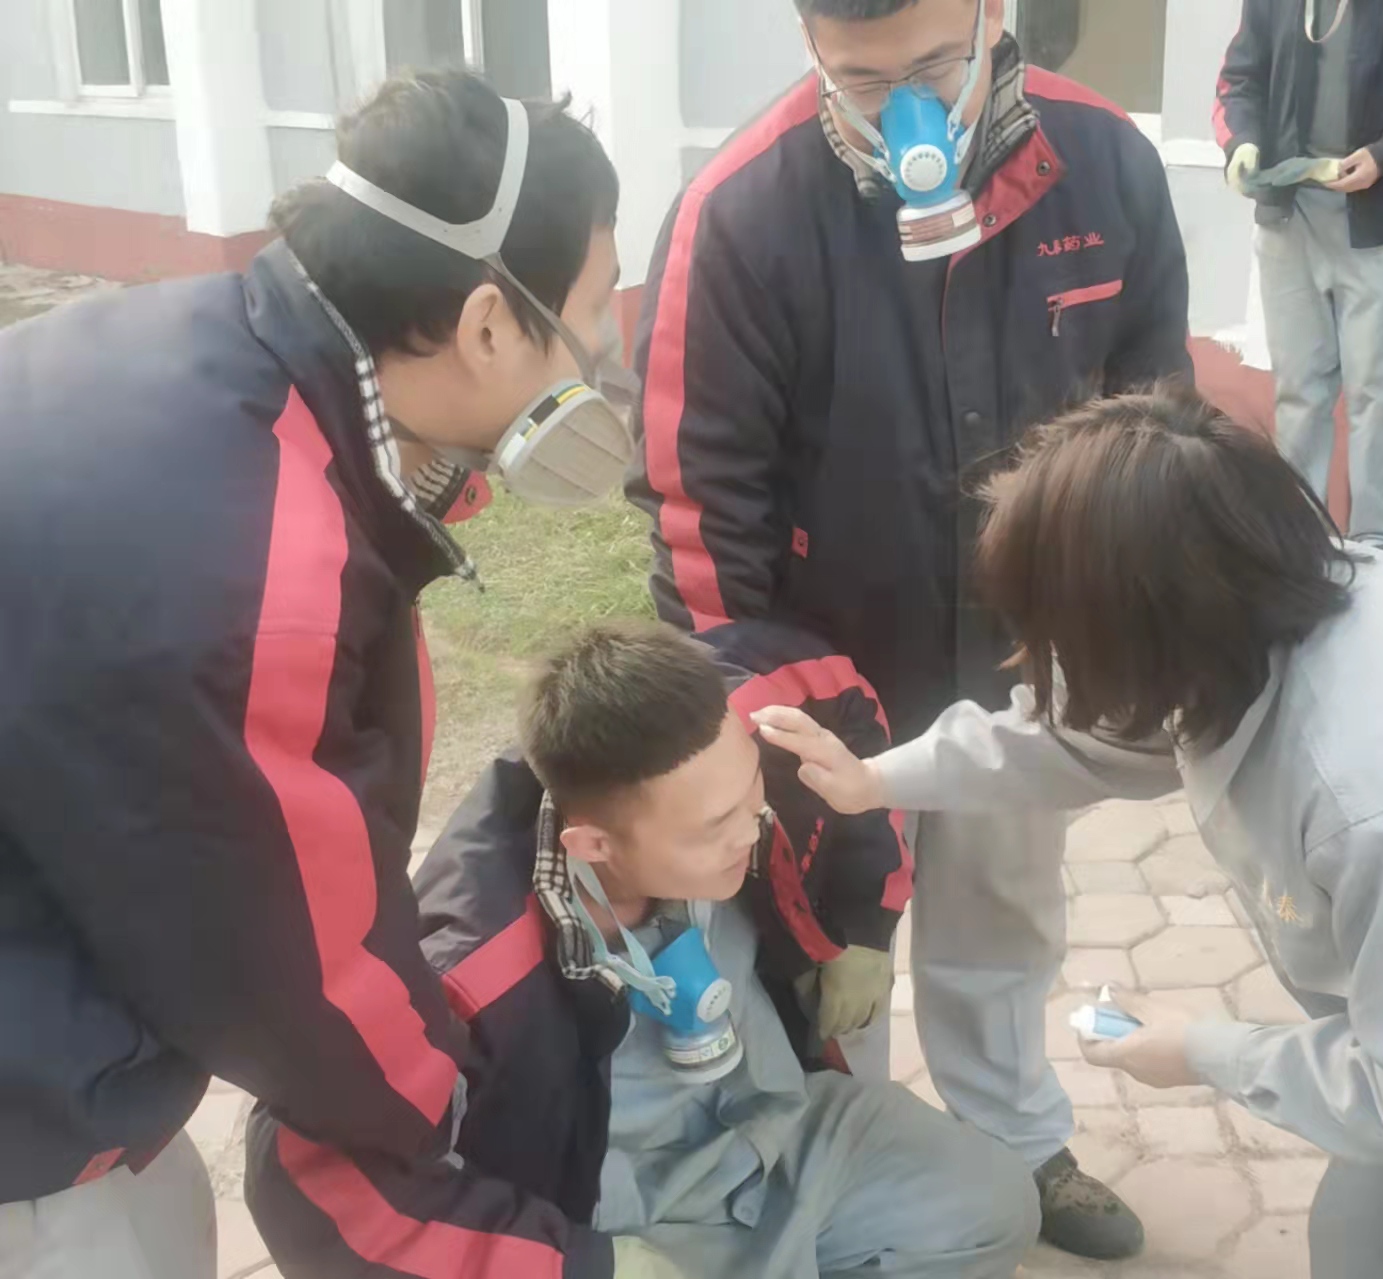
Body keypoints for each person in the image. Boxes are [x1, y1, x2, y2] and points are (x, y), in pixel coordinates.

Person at [756, 386, 1383, 1279]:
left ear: (1146, 628)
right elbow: (1086, 738)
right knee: (1357, 1242)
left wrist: (1207, 1051)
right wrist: (876, 779)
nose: (1036, 663)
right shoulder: (1255, 605)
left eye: (1055, 636)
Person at [0, 70, 653, 1278]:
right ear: (488, 325)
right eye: (593, 317)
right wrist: (444, 1112)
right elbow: (289, 962)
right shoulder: (256, 562)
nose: (604, 356)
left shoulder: (206, 343)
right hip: (29, 1124)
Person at [626, 0, 1192, 1258]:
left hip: (1025, 659)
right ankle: (853, 1166)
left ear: (994, 16)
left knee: (1006, 914)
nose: (907, 116)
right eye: (862, 82)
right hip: (829, 683)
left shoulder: (1103, 162)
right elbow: (696, 503)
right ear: (809, 44)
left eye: (937, 65)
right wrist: (763, 714)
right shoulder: (742, 211)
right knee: (833, 951)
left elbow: (1156, 423)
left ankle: (1015, 1135)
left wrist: (1113, 632)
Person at [273, 622, 1037, 1279]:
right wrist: (582, 1263)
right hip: (625, 1217)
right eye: (714, 828)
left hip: (779, 1135)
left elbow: (842, 693)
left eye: (751, 793)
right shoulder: (466, 974)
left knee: (995, 1203)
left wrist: (865, 923)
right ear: (593, 845)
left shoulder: (722, 732)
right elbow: (310, 1171)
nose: (752, 829)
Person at [1217, 0, 1383, 556]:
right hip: (1290, 212)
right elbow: (1239, 77)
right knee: (1299, 389)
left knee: (1378, 391)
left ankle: (1380, 539)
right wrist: (1241, 142)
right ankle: (1298, 535)